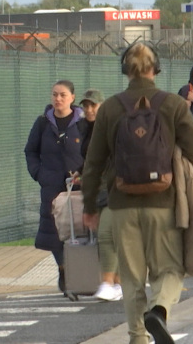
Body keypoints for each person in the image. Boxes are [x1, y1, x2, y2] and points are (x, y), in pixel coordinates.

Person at [81, 43, 193, 344]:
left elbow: (93, 162)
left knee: (132, 277)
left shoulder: (110, 107)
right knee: (170, 268)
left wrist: (89, 206)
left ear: (126, 70)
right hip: (163, 204)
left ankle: (137, 338)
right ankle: (159, 311)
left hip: (121, 205)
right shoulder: (173, 105)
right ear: (155, 68)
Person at [24, 80, 88, 296]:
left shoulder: (82, 123)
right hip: (51, 186)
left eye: (62, 95)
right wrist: (39, 174)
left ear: (72, 97)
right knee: (53, 230)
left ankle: (83, 274)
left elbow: (93, 151)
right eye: (54, 95)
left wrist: (84, 172)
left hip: (77, 186)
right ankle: (63, 269)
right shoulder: (42, 123)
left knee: (80, 228)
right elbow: (30, 151)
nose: (58, 99)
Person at [79, 89, 123, 302]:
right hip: (96, 189)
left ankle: (107, 283)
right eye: (86, 106)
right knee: (106, 237)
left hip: (112, 188)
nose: (89, 110)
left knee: (106, 234)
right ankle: (118, 282)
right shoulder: (84, 129)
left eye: (93, 106)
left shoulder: (109, 128)